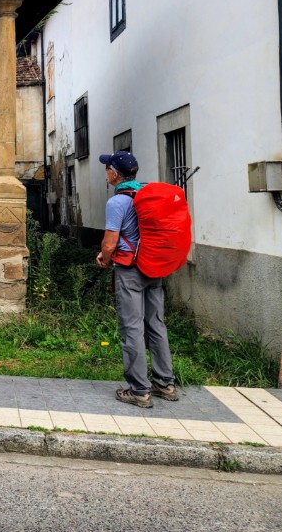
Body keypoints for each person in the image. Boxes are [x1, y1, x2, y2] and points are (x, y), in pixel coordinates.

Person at [96, 151, 179, 408]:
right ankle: (165, 384)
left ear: (114, 173)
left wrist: (104, 258)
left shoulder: (118, 202)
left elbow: (110, 242)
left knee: (131, 328)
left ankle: (139, 391)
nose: (106, 172)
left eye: (107, 168)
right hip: (153, 266)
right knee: (156, 324)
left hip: (130, 269)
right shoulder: (147, 194)